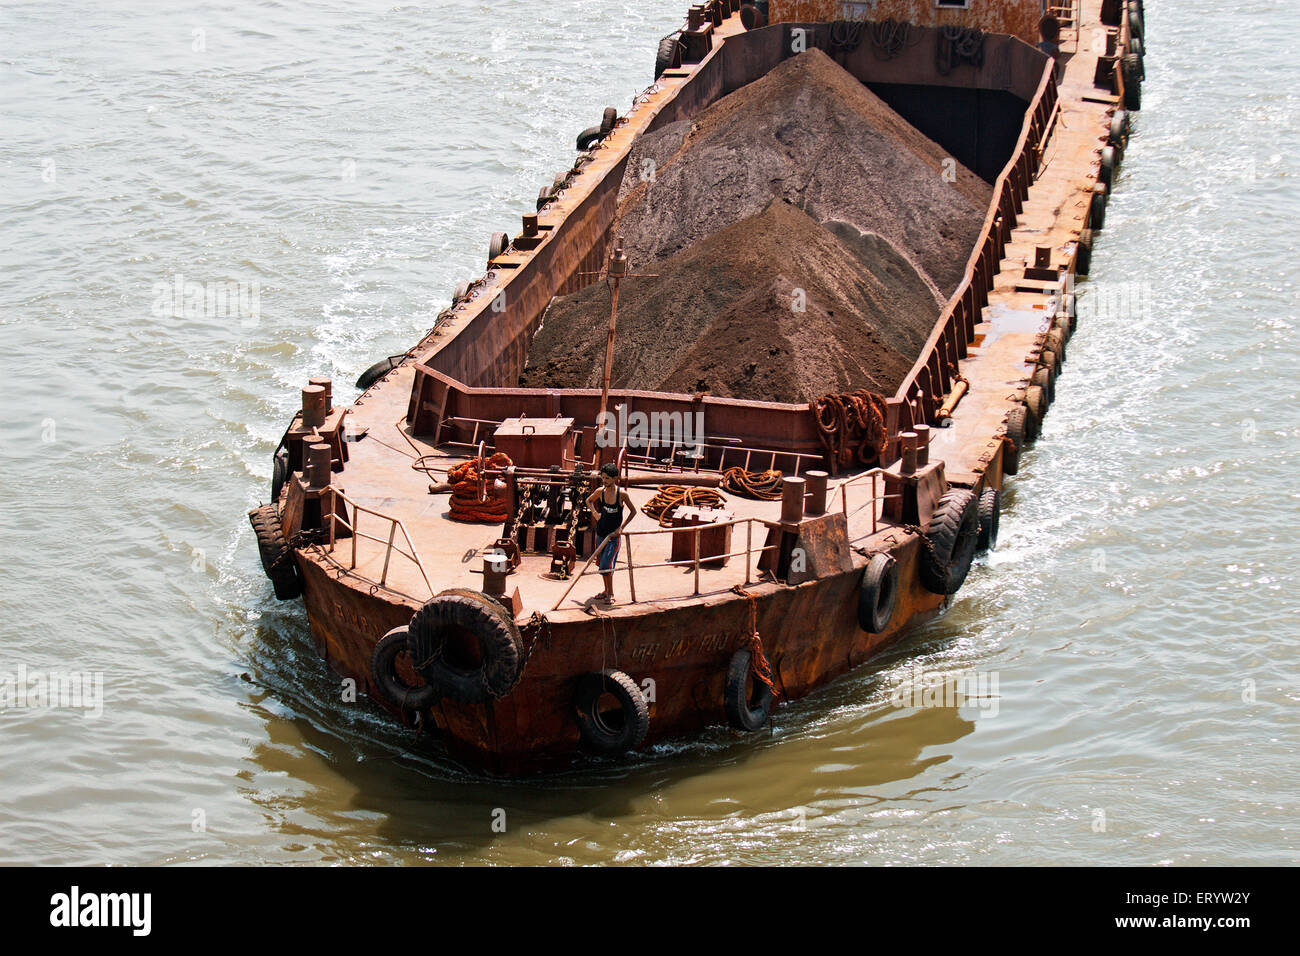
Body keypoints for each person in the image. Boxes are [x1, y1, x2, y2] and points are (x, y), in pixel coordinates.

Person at [587, 462, 637, 604]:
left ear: (615, 478)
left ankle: (611, 594)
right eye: (603, 478)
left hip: (613, 537)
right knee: (602, 566)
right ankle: (606, 591)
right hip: (601, 534)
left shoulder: (621, 494)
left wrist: (621, 527)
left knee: (606, 566)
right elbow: (588, 501)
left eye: (607, 478)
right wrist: (595, 514)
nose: (604, 481)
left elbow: (633, 512)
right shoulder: (600, 492)